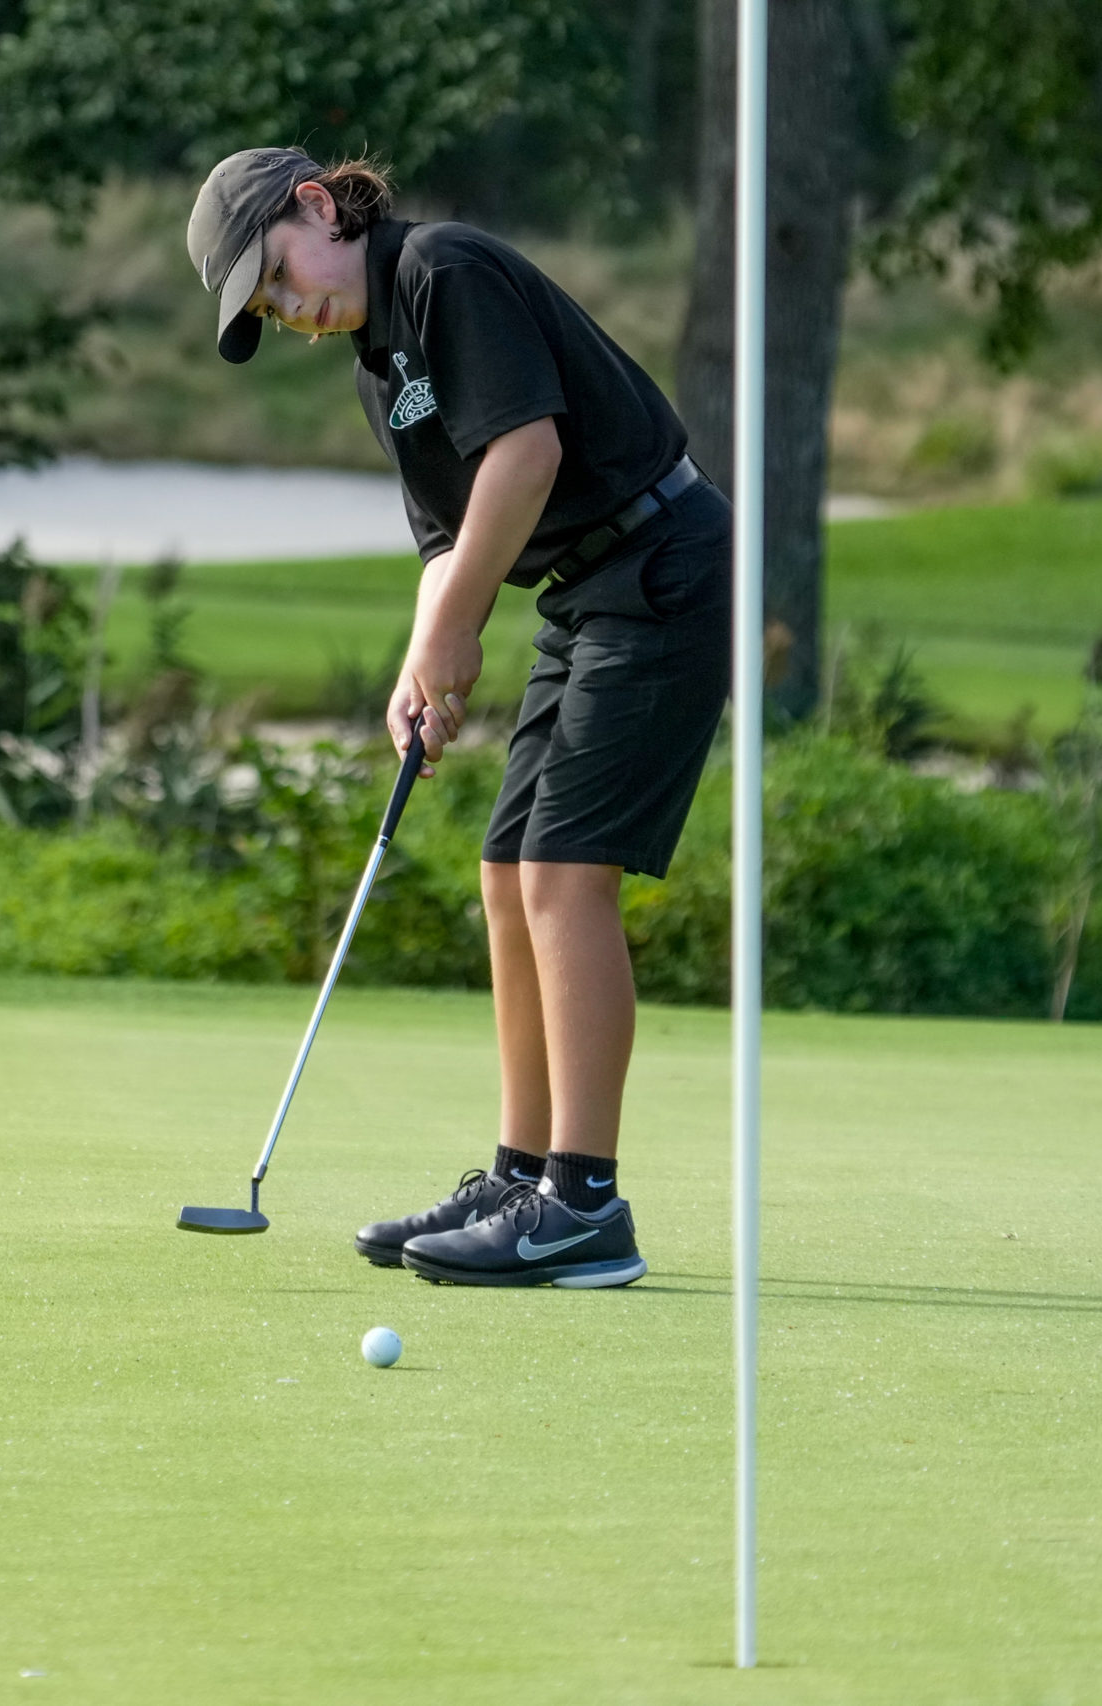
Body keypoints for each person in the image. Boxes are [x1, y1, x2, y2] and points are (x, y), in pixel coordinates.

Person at [187, 148, 731, 1289]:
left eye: (276, 278)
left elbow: (525, 454)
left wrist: (459, 626)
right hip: (588, 593)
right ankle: (520, 1171)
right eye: (265, 310)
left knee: (564, 872)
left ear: (318, 206)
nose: (288, 312)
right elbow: (446, 541)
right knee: (505, 869)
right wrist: (417, 660)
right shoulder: (379, 363)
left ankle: (583, 1201)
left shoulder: (442, 269)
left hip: (663, 566)